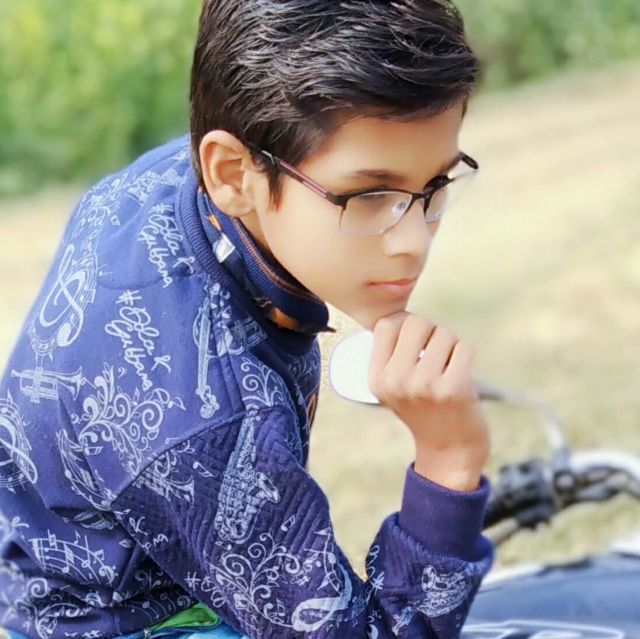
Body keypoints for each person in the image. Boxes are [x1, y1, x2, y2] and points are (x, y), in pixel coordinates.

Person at [0, 1, 494, 637]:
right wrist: (450, 460)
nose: (414, 241)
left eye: (435, 187)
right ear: (234, 174)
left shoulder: (168, 181)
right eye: (370, 195)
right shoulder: (208, 421)